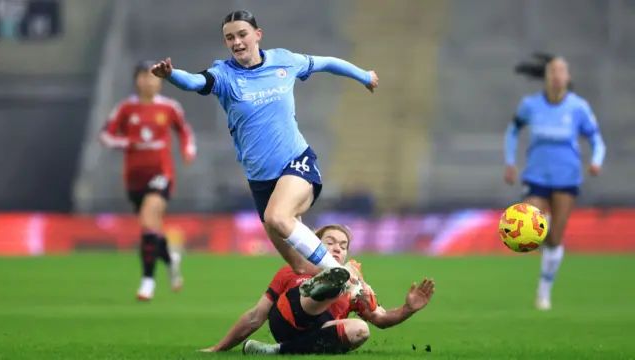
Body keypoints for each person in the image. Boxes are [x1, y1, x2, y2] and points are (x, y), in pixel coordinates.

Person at [150, 10, 380, 283]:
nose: (236, 42)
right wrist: (172, 75)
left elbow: (327, 62)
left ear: (257, 35)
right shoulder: (224, 75)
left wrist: (364, 76)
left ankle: (343, 274)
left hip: (297, 163)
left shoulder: (283, 60)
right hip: (260, 180)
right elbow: (195, 81)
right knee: (301, 268)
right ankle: (358, 303)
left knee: (277, 216)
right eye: (229, 37)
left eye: (242, 34)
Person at [201, 224, 436, 355]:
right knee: (343, 281)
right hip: (286, 322)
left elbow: (381, 319)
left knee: (361, 329)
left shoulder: (356, 283)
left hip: (318, 335)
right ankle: (325, 286)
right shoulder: (290, 272)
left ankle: (276, 352)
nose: (337, 248)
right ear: (314, 245)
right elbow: (256, 316)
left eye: (343, 246)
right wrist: (218, 348)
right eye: (330, 243)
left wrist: (408, 309)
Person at [504, 53, 606, 310]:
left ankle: (544, 290)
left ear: (568, 77)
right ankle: (543, 223)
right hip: (536, 176)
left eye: (562, 71)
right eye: (553, 71)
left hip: (567, 178)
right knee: (531, 224)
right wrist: (509, 162)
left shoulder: (578, 107)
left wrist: (596, 160)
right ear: (546, 77)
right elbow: (513, 130)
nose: (558, 76)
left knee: (555, 238)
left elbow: (596, 139)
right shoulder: (530, 105)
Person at [99, 60, 197, 301]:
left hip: (161, 174)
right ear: (136, 80)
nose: (148, 81)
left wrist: (188, 149)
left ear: (160, 81)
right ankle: (170, 258)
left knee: (147, 220)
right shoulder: (125, 109)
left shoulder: (170, 107)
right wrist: (126, 143)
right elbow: (106, 135)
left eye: (153, 77)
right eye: (143, 76)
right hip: (134, 178)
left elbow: (184, 131)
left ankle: (147, 282)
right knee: (150, 229)